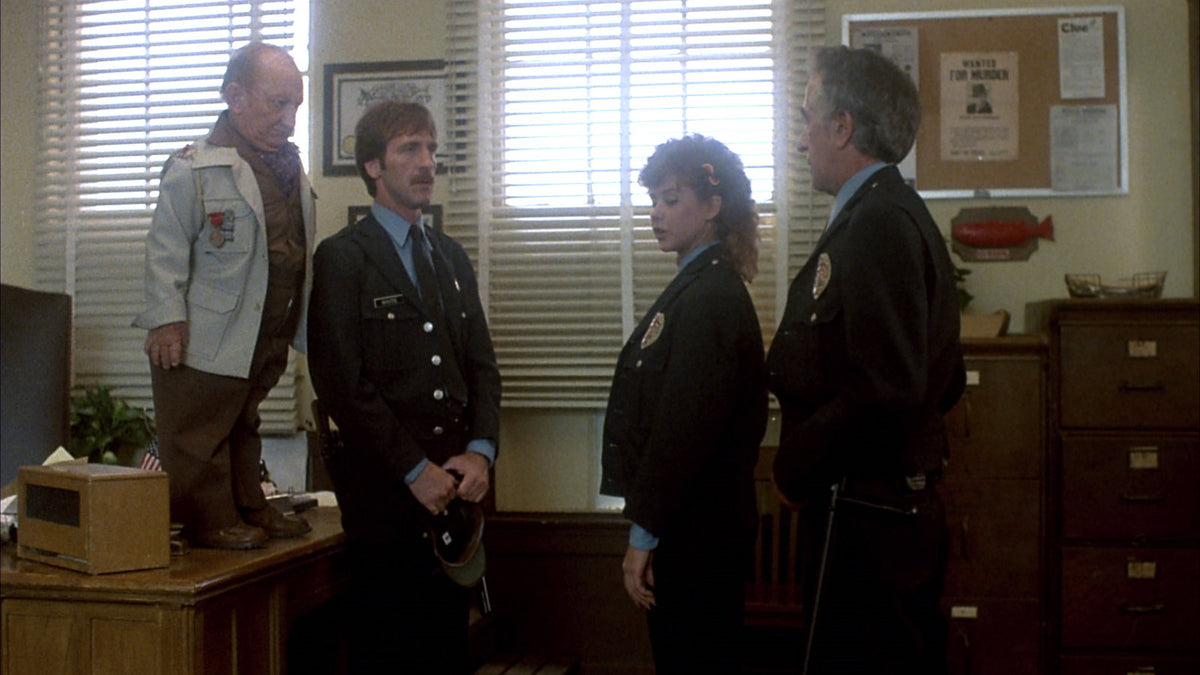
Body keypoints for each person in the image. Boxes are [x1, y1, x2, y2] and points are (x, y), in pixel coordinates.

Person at [766, 46, 966, 673]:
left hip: (869, 518)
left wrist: (794, 467)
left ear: (842, 126)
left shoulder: (878, 220)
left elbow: (887, 386)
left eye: (807, 120)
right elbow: (941, 379)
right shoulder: (884, 209)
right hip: (873, 509)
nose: (801, 140)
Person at [306, 100, 501, 674]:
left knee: (446, 655)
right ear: (373, 166)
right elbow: (340, 381)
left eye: (431, 149)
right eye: (409, 149)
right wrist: (414, 470)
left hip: (455, 500)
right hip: (386, 501)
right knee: (389, 656)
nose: (426, 162)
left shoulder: (450, 257)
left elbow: (482, 367)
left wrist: (481, 451)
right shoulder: (343, 257)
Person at [134, 42, 314, 550]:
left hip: (262, 328)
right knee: (196, 431)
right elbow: (164, 249)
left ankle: (247, 504)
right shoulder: (195, 167)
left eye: (295, 105)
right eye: (277, 103)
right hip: (205, 333)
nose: (289, 119)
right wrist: (166, 319)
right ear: (235, 97)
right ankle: (208, 519)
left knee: (241, 421)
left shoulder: (286, 166)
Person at [600, 134, 768, 673]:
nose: (656, 213)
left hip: (698, 534)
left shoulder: (710, 295)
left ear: (713, 206)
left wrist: (643, 533)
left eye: (671, 200)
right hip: (696, 528)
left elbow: (681, 428)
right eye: (653, 200)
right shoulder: (699, 286)